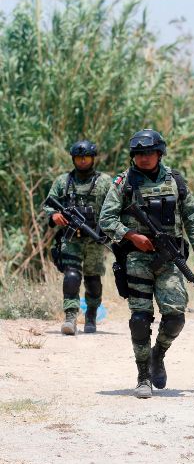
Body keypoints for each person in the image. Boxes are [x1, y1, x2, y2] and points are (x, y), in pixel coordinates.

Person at [99, 129, 194, 399]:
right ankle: (143, 376)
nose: (144, 158)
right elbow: (106, 219)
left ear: (159, 153)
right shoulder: (123, 183)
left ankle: (158, 354)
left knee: (175, 317)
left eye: (149, 153)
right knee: (139, 318)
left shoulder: (175, 181)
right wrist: (131, 235)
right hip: (136, 258)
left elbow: (192, 215)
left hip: (169, 258)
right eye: (139, 154)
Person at [43, 140, 112, 335]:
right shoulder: (62, 181)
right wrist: (54, 215)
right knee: (72, 276)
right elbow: (49, 204)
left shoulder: (105, 181)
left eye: (86, 157)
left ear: (93, 159)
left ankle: (91, 315)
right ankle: (70, 317)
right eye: (79, 158)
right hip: (71, 238)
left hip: (95, 238)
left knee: (93, 279)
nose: (83, 161)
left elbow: (116, 206)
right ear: (73, 159)